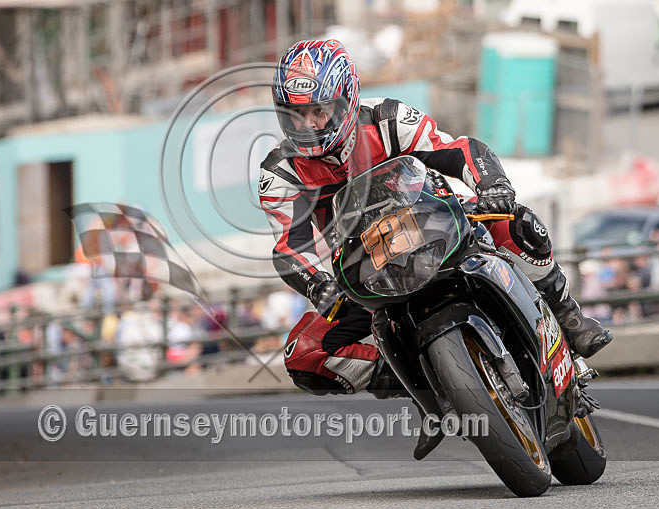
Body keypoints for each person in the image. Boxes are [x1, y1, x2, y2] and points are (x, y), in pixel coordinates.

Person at [260, 40, 612, 403]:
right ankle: (422, 381)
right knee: (302, 353)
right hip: (366, 273)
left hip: (435, 228)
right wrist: (318, 286)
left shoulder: (387, 118)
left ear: (347, 98)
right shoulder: (280, 173)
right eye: (294, 115)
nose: (308, 124)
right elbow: (289, 246)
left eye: (319, 110)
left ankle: (568, 317)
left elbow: (456, 150)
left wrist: (492, 184)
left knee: (517, 222)